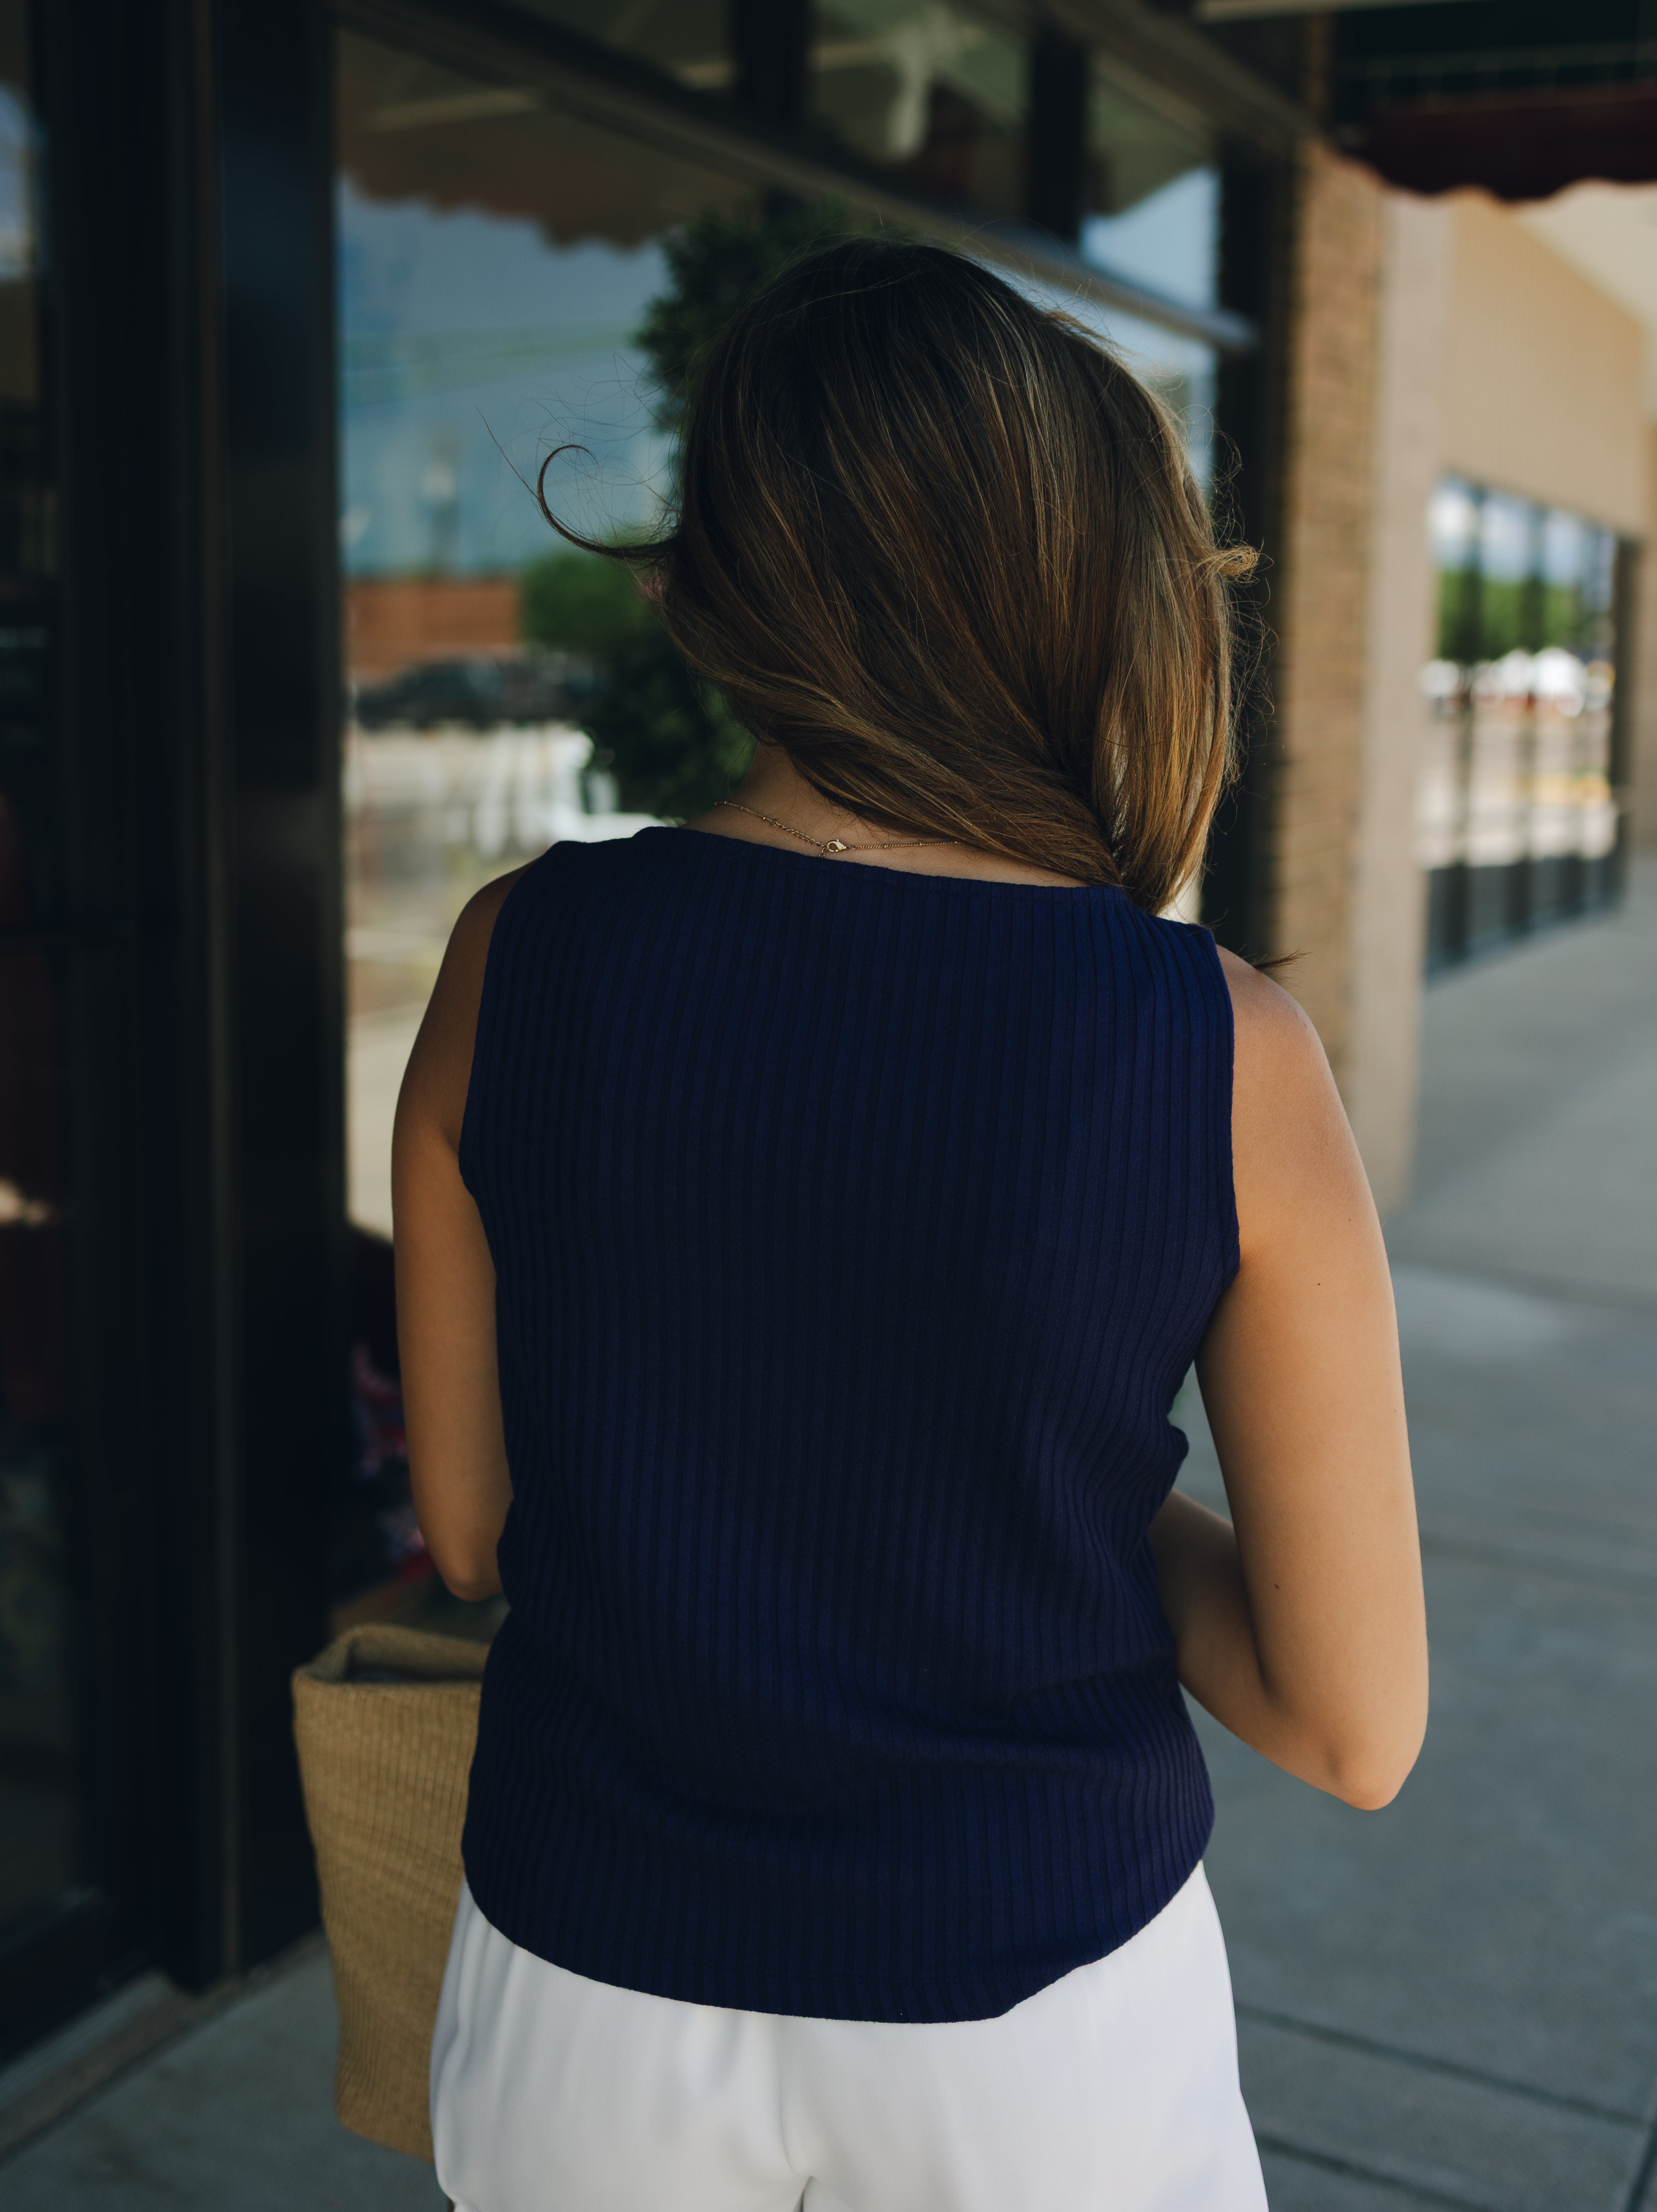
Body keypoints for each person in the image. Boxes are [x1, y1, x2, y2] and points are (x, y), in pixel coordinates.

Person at [393, 238, 1428, 2212]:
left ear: (712, 588)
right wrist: (1037, 1488)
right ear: (1100, 597)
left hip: (585, 1995)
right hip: (1039, 2031)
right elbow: (1350, 1718)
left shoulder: (516, 953)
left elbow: (468, 1528)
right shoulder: (1215, 1046)